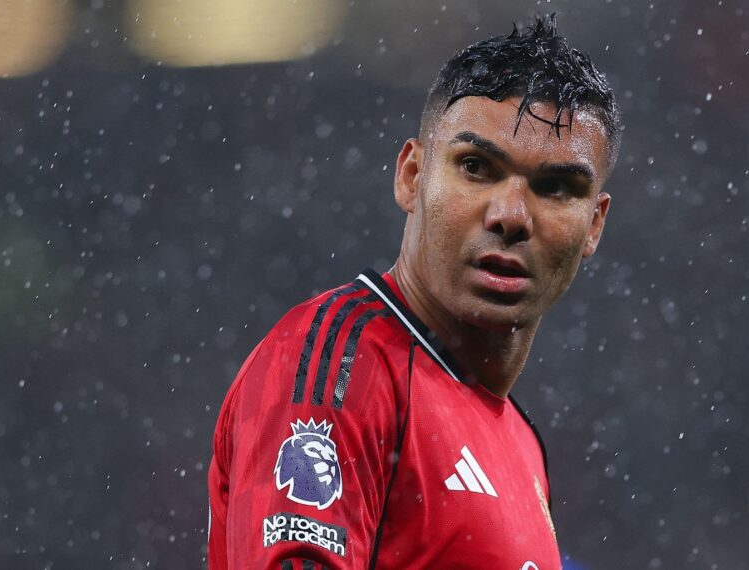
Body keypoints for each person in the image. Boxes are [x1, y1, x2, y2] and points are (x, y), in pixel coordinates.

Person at [207, 14, 621, 570]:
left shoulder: (518, 440)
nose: (511, 216)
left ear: (593, 225)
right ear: (411, 175)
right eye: (476, 167)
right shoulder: (337, 363)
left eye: (555, 188)